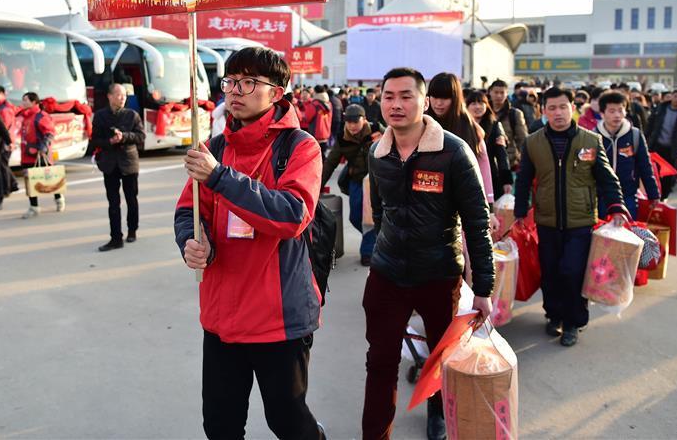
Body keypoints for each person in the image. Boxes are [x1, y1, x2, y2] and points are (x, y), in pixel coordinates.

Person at [175, 47, 324, 440]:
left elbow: (292, 215)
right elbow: (189, 211)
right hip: (222, 316)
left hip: (279, 318)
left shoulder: (299, 147)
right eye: (230, 81)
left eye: (248, 82)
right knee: (221, 425)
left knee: (287, 421)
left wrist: (221, 178)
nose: (235, 91)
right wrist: (192, 241)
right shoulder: (216, 148)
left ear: (276, 93)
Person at [365, 67, 494, 440]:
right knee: (381, 362)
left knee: (442, 360)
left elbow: (476, 222)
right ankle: (375, 433)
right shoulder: (378, 151)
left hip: (439, 275)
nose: (396, 104)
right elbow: (382, 209)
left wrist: (483, 287)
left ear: (425, 102)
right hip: (387, 273)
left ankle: (437, 413)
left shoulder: (454, 152)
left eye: (406, 96)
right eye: (389, 96)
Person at [514, 87, 630, 347]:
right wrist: (521, 212)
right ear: (544, 111)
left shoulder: (590, 140)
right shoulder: (533, 142)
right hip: (546, 221)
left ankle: (574, 322)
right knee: (551, 272)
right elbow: (523, 181)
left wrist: (616, 206)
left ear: (572, 108)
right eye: (552, 108)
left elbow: (607, 179)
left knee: (572, 271)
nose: (558, 113)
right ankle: (553, 315)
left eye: (563, 107)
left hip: (581, 222)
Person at [322, 104, 379, 266]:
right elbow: (330, 163)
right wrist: (317, 186)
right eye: (349, 122)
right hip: (356, 181)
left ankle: (368, 251)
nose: (352, 126)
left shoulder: (377, 130)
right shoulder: (342, 138)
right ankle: (378, 238)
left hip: (377, 181)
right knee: (355, 217)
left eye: (356, 122)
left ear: (364, 119)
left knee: (369, 217)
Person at [426, 72, 495, 204]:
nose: (438, 103)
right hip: (425, 202)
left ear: (456, 98)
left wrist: (489, 204)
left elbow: (483, 168)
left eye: (445, 98)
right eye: (434, 96)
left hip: (460, 202)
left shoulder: (470, 129)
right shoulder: (421, 124)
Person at [92, 84, 146, 252]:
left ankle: (132, 230)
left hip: (129, 163)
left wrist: (124, 137)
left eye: (124, 95)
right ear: (109, 96)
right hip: (109, 164)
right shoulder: (100, 116)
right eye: (118, 94)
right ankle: (116, 237)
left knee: (131, 199)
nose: (122, 98)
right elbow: (95, 140)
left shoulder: (132, 115)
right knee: (113, 202)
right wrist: (109, 142)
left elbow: (141, 136)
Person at [595, 91, 660, 219]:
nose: (617, 115)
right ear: (602, 113)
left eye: (621, 110)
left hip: (628, 195)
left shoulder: (634, 135)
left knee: (627, 235)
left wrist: (653, 194)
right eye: (612, 111)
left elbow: (645, 166)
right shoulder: (593, 137)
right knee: (601, 235)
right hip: (601, 197)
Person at [19, 92, 65, 218]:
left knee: (50, 178)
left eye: (25, 100)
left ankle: (58, 198)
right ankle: (34, 207)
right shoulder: (25, 116)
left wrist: (43, 148)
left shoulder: (41, 116)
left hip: (40, 153)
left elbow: (49, 133)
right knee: (30, 181)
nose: (23, 103)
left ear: (34, 102)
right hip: (27, 154)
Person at [466, 90, 513, 200]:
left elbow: (502, 155)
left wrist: (506, 180)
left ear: (486, 106)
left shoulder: (494, 125)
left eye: (481, 103)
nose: (477, 107)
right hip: (466, 175)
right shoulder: (462, 126)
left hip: (490, 177)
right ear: (466, 106)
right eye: (473, 103)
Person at [488, 79, 528, 171]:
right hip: (487, 163)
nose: (499, 95)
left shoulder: (515, 114)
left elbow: (523, 140)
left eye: (502, 93)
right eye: (496, 92)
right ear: (490, 92)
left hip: (510, 163)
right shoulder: (483, 113)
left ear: (507, 93)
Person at [0, 86, 18, 197]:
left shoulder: (5, 109)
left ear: (3, 94)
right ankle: (13, 184)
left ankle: (7, 189)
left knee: (2, 165)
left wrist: (7, 142)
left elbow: (4, 127)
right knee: (3, 164)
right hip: (2, 140)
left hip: (5, 141)